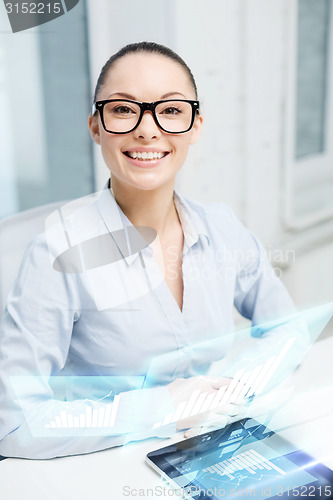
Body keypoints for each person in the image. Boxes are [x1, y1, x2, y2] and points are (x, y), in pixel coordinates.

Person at [0, 42, 297, 459]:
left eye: (171, 110)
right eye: (123, 109)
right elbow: (14, 424)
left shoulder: (222, 228)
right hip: (98, 465)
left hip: (209, 445)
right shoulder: (55, 254)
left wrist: (237, 386)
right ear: (96, 126)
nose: (147, 129)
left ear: (195, 125)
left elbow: (287, 328)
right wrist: (159, 410)